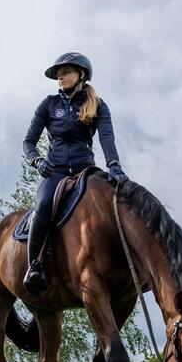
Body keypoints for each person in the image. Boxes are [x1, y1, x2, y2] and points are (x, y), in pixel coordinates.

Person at [22, 52, 127, 294]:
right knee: (45, 204)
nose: (60, 77)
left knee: (109, 204)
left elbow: (106, 138)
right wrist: (36, 161)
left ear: (81, 75)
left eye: (66, 72)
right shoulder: (48, 104)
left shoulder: (98, 105)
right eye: (58, 74)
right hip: (55, 171)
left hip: (85, 169)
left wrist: (114, 165)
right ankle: (34, 266)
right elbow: (28, 141)